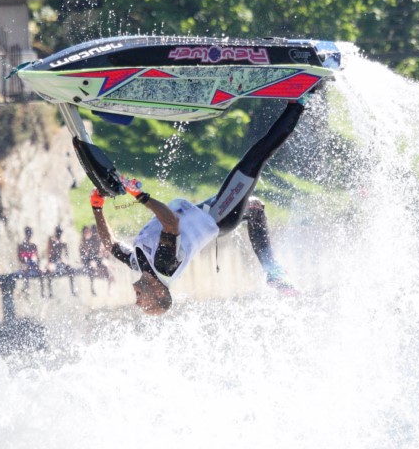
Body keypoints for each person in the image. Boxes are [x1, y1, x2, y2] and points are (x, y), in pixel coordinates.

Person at [91, 100, 305, 315]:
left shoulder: (138, 264)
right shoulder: (163, 265)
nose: (136, 303)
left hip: (211, 210)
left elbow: (110, 244)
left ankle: (272, 270)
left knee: (255, 208)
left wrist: (97, 208)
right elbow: (170, 223)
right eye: (144, 303)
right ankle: (300, 102)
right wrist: (141, 196)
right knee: (256, 157)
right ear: (158, 292)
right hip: (220, 215)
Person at [45, 225, 77, 296]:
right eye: (58, 233)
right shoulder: (52, 241)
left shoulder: (63, 243)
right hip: (52, 262)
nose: (59, 234)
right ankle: (50, 292)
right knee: (49, 271)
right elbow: (48, 253)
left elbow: (66, 256)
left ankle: (73, 290)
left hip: (60, 261)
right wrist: (49, 263)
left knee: (71, 269)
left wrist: (67, 262)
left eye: (60, 233)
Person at [79, 224, 111, 295]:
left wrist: (104, 256)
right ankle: (92, 288)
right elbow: (86, 255)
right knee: (92, 267)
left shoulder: (99, 240)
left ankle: (109, 289)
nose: (96, 234)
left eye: (97, 232)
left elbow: (102, 251)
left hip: (96, 258)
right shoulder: (88, 241)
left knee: (106, 267)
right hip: (89, 259)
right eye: (94, 232)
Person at [16, 226, 44, 297]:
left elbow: (38, 258)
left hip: (32, 263)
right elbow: (19, 258)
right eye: (28, 234)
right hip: (24, 264)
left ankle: (42, 291)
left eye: (30, 234)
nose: (29, 235)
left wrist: (37, 265)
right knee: (26, 269)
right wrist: (24, 263)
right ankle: (26, 288)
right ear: (26, 234)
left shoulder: (33, 245)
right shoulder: (21, 245)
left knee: (40, 271)